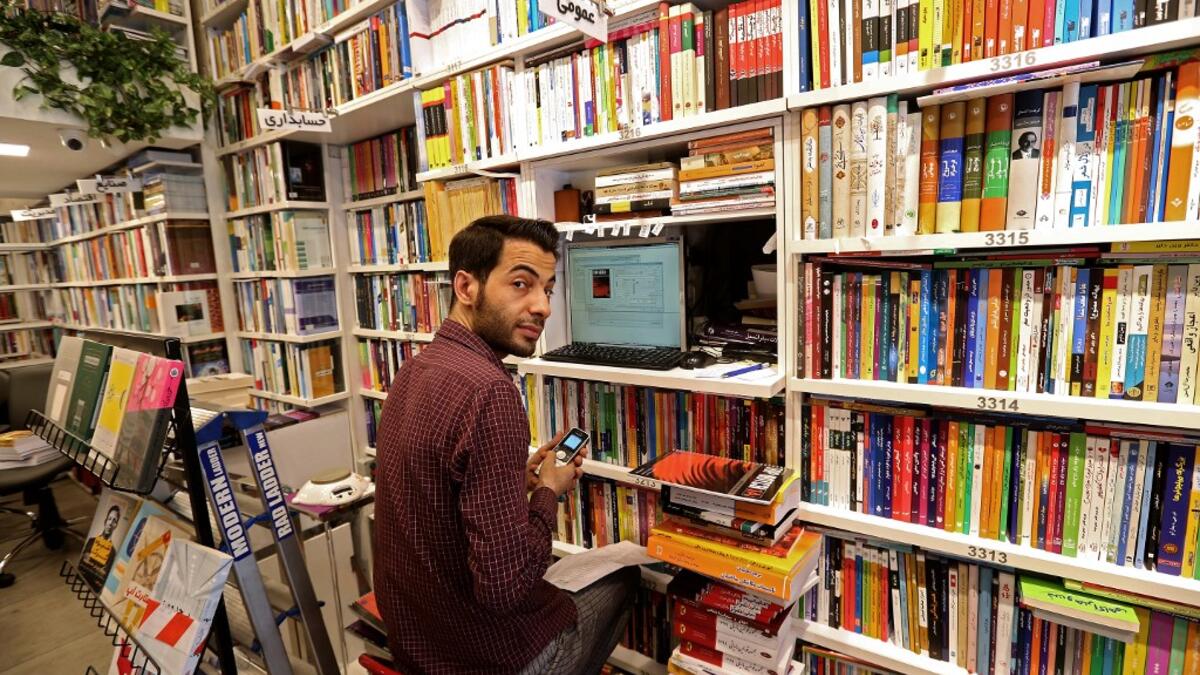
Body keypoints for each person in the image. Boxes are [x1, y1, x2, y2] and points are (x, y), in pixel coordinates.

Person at [373, 215, 639, 675]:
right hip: (488, 659)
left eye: (548, 289)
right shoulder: (489, 393)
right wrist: (546, 492)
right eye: (521, 284)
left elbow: (436, 498)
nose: (542, 307)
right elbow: (504, 588)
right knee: (627, 578)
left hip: (417, 643)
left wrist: (517, 480)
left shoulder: (417, 368)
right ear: (466, 286)